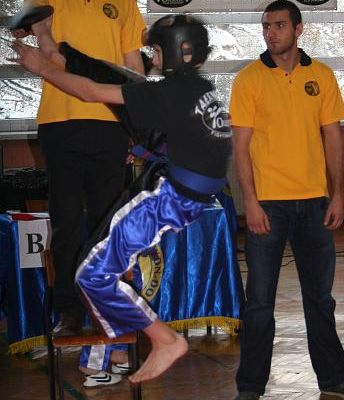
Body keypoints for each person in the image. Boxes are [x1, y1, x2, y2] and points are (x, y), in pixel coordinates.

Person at [11, 14, 232, 384]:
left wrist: (41, 68)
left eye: (157, 51)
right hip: (189, 193)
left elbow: (89, 92)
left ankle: (163, 340)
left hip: (168, 198)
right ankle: (111, 352)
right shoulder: (200, 88)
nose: (152, 59)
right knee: (104, 268)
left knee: (91, 273)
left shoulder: (164, 94)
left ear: (173, 53)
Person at [229, 1, 344, 399]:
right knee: (259, 304)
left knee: (320, 299)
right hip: (267, 207)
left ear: (298, 29)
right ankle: (250, 388)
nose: (270, 33)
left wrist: (337, 195)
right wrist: (250, 202)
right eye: (266, 26)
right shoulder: (248, 79)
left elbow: (333, 138)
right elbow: (241, 148)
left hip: (314, 205)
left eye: (278, 25)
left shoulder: (321, 76)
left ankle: (334, 379)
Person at [10, 0, 146, 387]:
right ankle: (69, 312)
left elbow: (132, 69)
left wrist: (137, 121)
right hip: (60, 123)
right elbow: (29, 36)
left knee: (107, 229)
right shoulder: (46, 1)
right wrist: (26, 32)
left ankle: (111, 317)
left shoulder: (124, 4)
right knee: (66, 223)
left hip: (109, 124)